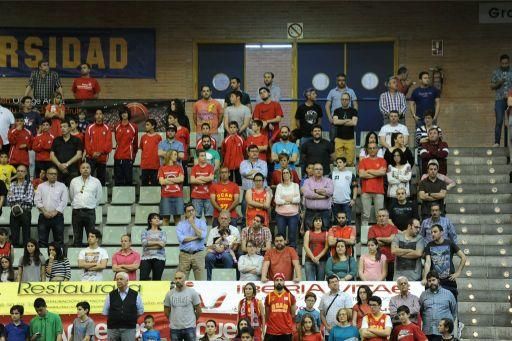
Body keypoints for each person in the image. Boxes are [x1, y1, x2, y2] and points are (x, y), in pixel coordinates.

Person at [422, 225, 467, 300]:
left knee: (452, 303)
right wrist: (425, 278)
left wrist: (458, 272)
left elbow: (463, 257)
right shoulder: (429, 245)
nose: (433, 234)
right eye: (431, 232)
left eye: (435, 232)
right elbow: (428, 263)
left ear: (441, 232)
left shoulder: (450, 243)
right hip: (435, 281)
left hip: (449, 280)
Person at [103, 272, 144, 341]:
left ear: (127, 281)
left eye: (121, 279)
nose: (118, 281)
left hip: (129, 329)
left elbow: (140, 311)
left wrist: (129, 318)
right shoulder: (110, 295)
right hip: (113, 329)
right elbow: (106, 312)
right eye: (117, 279)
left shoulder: (136, 294)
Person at [69, 163, 102, 246]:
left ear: (90, 170)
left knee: (91, 237)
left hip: (90, 212)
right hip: (77, 212)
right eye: (83, 168)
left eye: (88, 167)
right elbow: (71, 196)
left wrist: (91, 205)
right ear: (80, 170)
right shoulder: (74, 181)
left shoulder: (96, 181)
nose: (85, 169)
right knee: (77, 237)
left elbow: (98, 197)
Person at [34, 166, 67, 248]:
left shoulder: (62, 186)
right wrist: (45, 212)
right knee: (42, 241)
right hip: (43, 216)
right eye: (51, 174)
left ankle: (59, 260)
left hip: (58, 216)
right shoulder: (41, 186)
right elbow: (37, 200)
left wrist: (55, 212)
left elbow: (64, 201)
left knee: (59, 241)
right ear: (47, 175)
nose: (53, 175)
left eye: (55, 174)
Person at [163, 271, 202, 341]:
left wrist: (192, 320)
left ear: (185, 279)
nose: (177, 280)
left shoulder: (192, 292)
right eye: (176, 278)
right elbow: (166, 311)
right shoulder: (169, 294)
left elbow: (199, 310)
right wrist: (173, 320)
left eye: (180, 278)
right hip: (175, 329)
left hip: (190, 328)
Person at [419, 271, 457, 340]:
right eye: (429, 281)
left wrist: (446, 325)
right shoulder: (423, 295)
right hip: (428, 332)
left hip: (444, 333)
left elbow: (454, 312)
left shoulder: (448, 294)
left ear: (438, 280)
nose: (432, 282)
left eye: (433, 280)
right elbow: (421, 312)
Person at [358, 142, 387, 227]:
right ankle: (364, 239)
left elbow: (382, 172)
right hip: (366, 191)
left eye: (374, 148)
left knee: (380, 216)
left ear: (377, 149)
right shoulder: (363, 161)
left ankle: (379, 237)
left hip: (379, 191)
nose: (372, 150)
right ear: (367, 150)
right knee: (365, 216)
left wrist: (368, 171)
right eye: (370, 148)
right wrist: (376, 173)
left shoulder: (382, 160)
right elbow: (362, 174)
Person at [205, 210, 240, 280]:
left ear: (229, 220)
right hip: (215, 252)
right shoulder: (213, 230)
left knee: (226, 256)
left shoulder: (234, 230)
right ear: (218, 219)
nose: (223, 220)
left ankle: (228, 279)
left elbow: (236, 246)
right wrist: (215, 247)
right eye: (221, 218)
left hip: (228, 252)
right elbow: (208, 246)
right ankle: (210, 280)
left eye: (225, 218)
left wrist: (224, 249)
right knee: (208, 256)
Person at [177, 202, 208, 280]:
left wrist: (193, 224)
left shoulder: (202, 222)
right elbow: (183, 239)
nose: (191, 212)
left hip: (198, 254)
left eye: (192, 210)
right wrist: (196, 237)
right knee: (182, 280)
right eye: (188, 211)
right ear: (185, 214)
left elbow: (202, 236)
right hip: (184, 254)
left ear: (195, 211)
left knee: (200, 280)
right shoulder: (180, 224)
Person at [50, 119, 83, 186]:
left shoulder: (77, 140)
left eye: (64, 126)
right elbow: (51, 156)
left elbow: (79, 155)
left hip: (72, 170)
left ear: (70, 128)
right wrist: (59, 165)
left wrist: (66, 164)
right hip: (58, 170)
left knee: (72, 193)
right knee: (57, 192)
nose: (62, 128)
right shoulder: (56, 140)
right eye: (61, 127)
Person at [264, 272, 296, 341]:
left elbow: (293, 314)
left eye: (281, 280)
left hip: (286, 331)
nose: (279, 282)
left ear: (284, 282)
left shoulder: (290, 296)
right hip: (271, 331)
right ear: (274, 282)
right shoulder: (268, 296)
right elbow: (267, 315)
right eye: (277, 280)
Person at [326, 73, 358, 140]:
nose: (341, 82)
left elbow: (355, 104)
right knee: (333, 141)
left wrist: (354, 116)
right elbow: (327, 106)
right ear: (336, 81)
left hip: (348, 121)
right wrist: (329, 118)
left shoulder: (351, 91)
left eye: (343, 80)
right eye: (339, 80)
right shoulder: (332, 92)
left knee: (347, 141)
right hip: (335, 121)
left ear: (345, 81)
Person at [8, 165, 34, 248]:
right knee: (14, 236)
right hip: (14, 211)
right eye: (18, 171)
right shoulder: (12, 184)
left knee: (26, 236)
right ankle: (14, 252)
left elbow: (29, 199)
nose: (20, 173)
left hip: (26, 212)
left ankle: (26, 253)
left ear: (26, 173)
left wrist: (15, 198)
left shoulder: (29, 185)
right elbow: (9, 199)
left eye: (22, 171)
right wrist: (22, 198)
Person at [84, 109, 112, 185]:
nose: (99, 116)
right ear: (95, 116)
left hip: (102, 158)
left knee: (101, 180)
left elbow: (108, 143)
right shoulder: (90, 127)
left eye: (100, 114)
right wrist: (92, 153)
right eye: (97, 114)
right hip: (91, 158)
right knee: (88, 179)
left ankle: (101, 196)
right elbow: (87, 142)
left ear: (103, 116)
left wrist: (100, 153)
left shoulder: (107, 128)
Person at [368, 209, 398, 280]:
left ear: (387, 217)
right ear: (377, 218)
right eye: (379, 216)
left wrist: (379, 238)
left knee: (390, 281)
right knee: (377, 281)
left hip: (391, 259)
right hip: (377, 259)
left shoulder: (393, 228)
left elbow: (392, 240)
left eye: (383, 216)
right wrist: (388, 242)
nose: (381, 218)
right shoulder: (372, 229)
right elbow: (372, 243)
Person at [302, 163, 334, 230]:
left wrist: (315, 191)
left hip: (324, 212)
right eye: (316, 169)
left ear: (323, 171)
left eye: (320, 169)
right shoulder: (307, 181)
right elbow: (307, 193)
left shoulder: (328, 181)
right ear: (313, 171)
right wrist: (322, 196)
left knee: (325, 232)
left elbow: (330, 191)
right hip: (310, 212)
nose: (319, 171)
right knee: (309, 232)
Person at [241, 145, 268, 221]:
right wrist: (257, 173)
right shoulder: (243, 163)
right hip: (248, 190)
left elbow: (264, 174)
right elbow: (243, 173)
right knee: (244, 206)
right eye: (252, 151)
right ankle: (245, 226)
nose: (254, 153)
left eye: (256, 151)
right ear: (248, 153)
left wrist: (249, 175)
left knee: (265, 209)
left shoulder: (263, 163)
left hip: (262, 191)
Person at [275, 168, 301, 248]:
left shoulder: (295, 185)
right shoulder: (279, 186)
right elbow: (277, 200)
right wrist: (290, 200)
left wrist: (283, 201)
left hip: (293, 214)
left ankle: (292, 254)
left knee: (292, 236)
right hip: (280, 214)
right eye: (284, 173)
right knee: (281, 236)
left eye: (287, 172)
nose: (285, 174)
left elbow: (298, 199)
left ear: (290, 174)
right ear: (282, 175)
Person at [158, 149, 185, 226]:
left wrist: (168, 179)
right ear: (169, 155)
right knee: (166, 218)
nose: (176, 156)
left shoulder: (179, 167)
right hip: (166, 196)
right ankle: (165, 237)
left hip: (178, 196)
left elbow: (181, 179)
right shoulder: (162, 168)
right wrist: (175, 180)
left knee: (178, 218)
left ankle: (178, 237)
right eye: (175, 154)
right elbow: (162, 182)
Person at [491, 54, 512, 147]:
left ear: (509, 62)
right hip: (499, 99)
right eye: (503, 63)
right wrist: (499, 82)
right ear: (500, 63)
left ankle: (509, 143)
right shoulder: (496, 72)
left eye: (506, 63)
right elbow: (492, 86)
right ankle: (497, 142)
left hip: (510, 100)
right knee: (499, 121)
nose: (504, 65)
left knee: (510, 122)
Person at [332, 92, 358, 166]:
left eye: (346, 99)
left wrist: (341, 121)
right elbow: (335, 122)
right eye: (343, 99)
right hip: (339, 139)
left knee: (349, 162)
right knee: (339, 162)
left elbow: (354, 123)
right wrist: (347, 120)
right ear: (340, 100)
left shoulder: (353, 111)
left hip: (350, 139)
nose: (344, 101)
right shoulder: (337, 110)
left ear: (349, 100)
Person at [114, 107, 138, 186]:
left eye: (126, 112)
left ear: (128, 114)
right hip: (117, 157)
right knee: (118, 180)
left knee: (128, 180)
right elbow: (117, 141)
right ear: (120, 115)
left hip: (128, 157)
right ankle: (117, 198)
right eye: (122, 113)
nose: (124, 114)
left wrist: (133, 157)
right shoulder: (117, 126)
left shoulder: (134, 127)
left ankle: (128, 198)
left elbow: (135, 144)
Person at [140, 213, 166, 281]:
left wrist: (149, 244)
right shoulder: (145, 231)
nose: (157, 219)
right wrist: (157, 242)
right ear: (150, 221)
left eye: (158, 218)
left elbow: (162, 244)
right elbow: (144, 243)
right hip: (146, 257)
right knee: (143, 278)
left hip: (159, 257)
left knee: (157, 280)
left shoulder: (163, 232)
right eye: (154, 218)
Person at [20, 96, 41, 178]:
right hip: (21, 141)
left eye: (30, 102)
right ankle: (22, 178)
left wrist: (36, 136)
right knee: (22, 162)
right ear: (23, 104)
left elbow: (40, 126)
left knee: (31, 162)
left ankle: (31, 179)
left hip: (32, 141)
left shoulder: (36, 114)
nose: (29, 104)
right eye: (27, 102)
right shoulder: (20, 114)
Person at [331, 157, 358, 223]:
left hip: (347, 203)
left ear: (345, 163)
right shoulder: (333, 174)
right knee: (336, 221)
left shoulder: (351, 174)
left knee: (347, 221)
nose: (338, 164)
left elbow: (355, 187)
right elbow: (329, 187)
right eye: (337, 163)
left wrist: (354, 199)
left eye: (340, 162)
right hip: (335, 202)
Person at [304, 216, 329, 281]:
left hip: (322, 260)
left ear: (322, 223)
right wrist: (313, 258)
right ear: (313, 222)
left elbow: (326, 247)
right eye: (316, 221)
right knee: (310, 282)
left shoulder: (326, 233)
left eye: (320, 221)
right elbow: (305, 246)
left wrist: (318, 257)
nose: (318, 222)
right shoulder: (308, 232)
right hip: (309, 260)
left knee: (320, 282)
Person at [140, 119, 163, 186]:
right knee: (144, 184)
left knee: (154, 185)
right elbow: (142, 148)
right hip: (145, 165)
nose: (146, 126)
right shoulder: (143, 137)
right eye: (146, 125)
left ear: (153, 126)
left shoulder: (158, 137)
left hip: (155, 166)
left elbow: (160, 149)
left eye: (148, 125)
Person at [168, 112, 190, 179]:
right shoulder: (169, 131)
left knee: (184, 175)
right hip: (173, 158)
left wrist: (184, 152)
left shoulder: (185, 130)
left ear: (176, 119)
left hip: (183, 157)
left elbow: (187, 142)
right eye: (168, 118)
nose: (168, 120)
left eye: (170, 118)